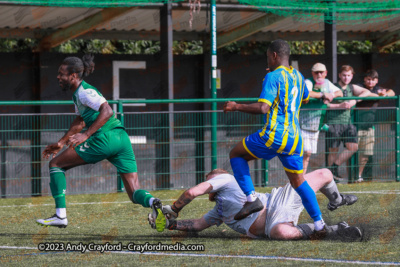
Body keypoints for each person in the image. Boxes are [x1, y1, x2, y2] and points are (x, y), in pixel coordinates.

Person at [36, 55, 166, 231]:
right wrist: (61, 142)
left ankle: (60, 215)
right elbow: (80, 121)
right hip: (121, 138)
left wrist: (86, 135)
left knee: (56, 165)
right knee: (134, 193)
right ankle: (154, 202)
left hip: (105, 138)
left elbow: (107, 110)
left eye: (61, 74)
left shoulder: (84, 91)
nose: (58, 77)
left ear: (73, 76)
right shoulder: (78, 94)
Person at [223, 39, 327, 234]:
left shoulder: (273, 76)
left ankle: (251, 199)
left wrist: (235, 106)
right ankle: (320, 224)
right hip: (295, 138)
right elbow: (304, 97)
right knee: (299, 182)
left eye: (268, 57)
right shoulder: (298, 75)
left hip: (274, 135)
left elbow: (263, 107)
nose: (268, 61)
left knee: (236, 154)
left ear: (274, 56)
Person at [149, 168, 361, 241]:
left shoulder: (226, 179)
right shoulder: (219, 212)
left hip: (279, 200)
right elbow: (196, 225)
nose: (209, 184)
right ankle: (337, 229)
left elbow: (192, 192)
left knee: (324, 174)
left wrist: (173, 209)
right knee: (281, 233)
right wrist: (167, 224)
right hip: (272, 225)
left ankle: (338, 200)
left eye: (210, 180)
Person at [326, 65, 374, 181]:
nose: (346, 77)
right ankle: (330, 178)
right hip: (333, 122)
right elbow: (324, 104)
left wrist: (354, 100)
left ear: (352, 76)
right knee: (333, 150)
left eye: (348, 75)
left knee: (353, 147)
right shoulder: (333, 87)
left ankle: (334, 167)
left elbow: (366, 92)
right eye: (344, 75)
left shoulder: (352, 87)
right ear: (339, 75)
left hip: (348, 123)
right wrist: (339, 106)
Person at [300, 63, 343, 173]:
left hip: (315, 125)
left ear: (326, 73)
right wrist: (323, 94)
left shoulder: (327, 83)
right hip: (302, 124)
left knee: (307, 155)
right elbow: (307, 93)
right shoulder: (308, 82)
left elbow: (340, 92)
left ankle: (301, 179)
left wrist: (331, 95)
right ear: (312, 73)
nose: (319, 74)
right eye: (316, 72)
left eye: (321, 72)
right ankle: (298, 181)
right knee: (306, 152)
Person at [355, 69, 395, 182]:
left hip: (369, 126)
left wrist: (385, 94)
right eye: (368, 79)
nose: (370, 82)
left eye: (373, 80)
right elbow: (365, 94)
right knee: (352, 151)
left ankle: (358, 176)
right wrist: (378, 95)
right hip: (355, 125)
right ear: (364, 79)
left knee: (366, 153)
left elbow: (392, 92)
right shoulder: (359, 87)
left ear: (376, 81)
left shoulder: (378, 89)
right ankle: (351, 175)